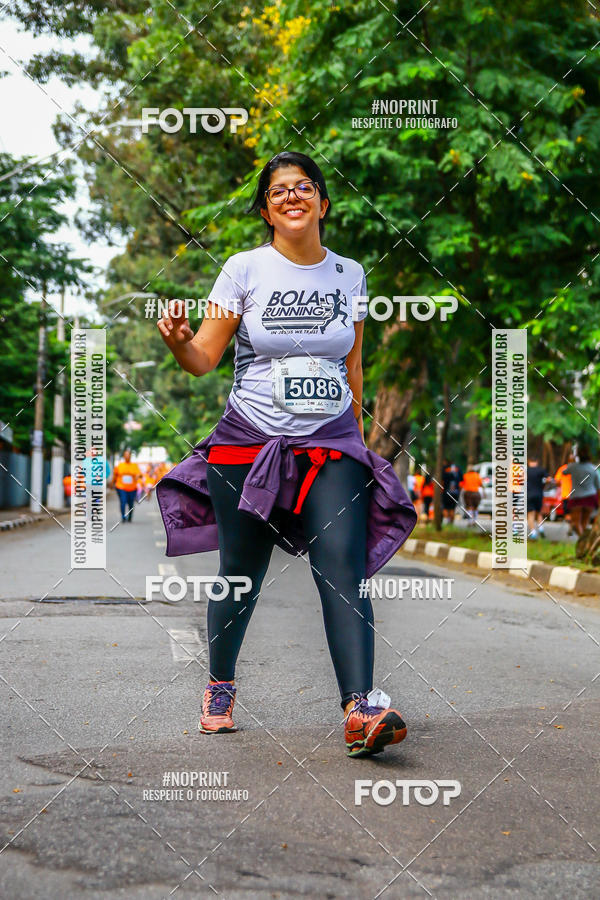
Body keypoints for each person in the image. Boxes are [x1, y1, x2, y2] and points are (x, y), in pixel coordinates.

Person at [155, 150, 417, 757]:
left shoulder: (349, 274)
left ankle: (360, 710)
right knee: (240, 577)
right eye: (278, 192)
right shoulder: (243, 270)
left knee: (344, 570)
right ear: (267, 212)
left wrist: (355, 439)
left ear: (324, 202)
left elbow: (351, 364)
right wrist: (178, 342)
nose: (292, 197)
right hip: (249, 441)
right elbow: (203, 361)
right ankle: (220, 686)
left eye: (304, 188)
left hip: (329, 442)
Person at [564, 446, 600, 536]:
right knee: (585, 523)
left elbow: (564, 472)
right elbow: (598, 486)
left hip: (576, 497)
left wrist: (571, 461)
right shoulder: (593, 468)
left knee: (576, 522)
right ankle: (584, 543)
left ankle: (582, 541)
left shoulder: (573, 467)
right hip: (590, 497)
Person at [109, 449, 141, 523]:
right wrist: (112, 483)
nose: (127, 456)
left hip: (132, 488)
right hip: (121, 487)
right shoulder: (120, 465)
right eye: (125, 455)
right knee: (123, 501)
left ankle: (130, 516)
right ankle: (123, 517)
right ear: (124, 456)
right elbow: (115, 475)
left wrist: (138, 476)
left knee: (131, 503)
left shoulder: (134, 465)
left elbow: (139, 474)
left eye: (128, 455)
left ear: (130, 456)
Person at [526, 456, 549, 539]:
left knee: (530, 514)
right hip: (539, 494)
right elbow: (548, 479)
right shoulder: (541, 470)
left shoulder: (526, 471)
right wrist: (543, 485)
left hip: (529, 494)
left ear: (528, 462)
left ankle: (533, 532)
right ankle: (541, 529)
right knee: (539, 513)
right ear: (537, 462)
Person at [554, 454, 574, 525]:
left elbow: (557, 481)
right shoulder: (579, 468)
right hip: (577, 495)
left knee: (567, 513)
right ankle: (572, 527)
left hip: (566, 495)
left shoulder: (563, 468)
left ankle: (571, 526)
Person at [442, 460, 463, 524]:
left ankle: (448, 520)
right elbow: (461, 479)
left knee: (446, 507)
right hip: (455, 492)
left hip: (447, 492)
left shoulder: (445, 469)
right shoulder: (458, 469)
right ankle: (451, 521)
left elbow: (442, 479)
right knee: (452, 508)